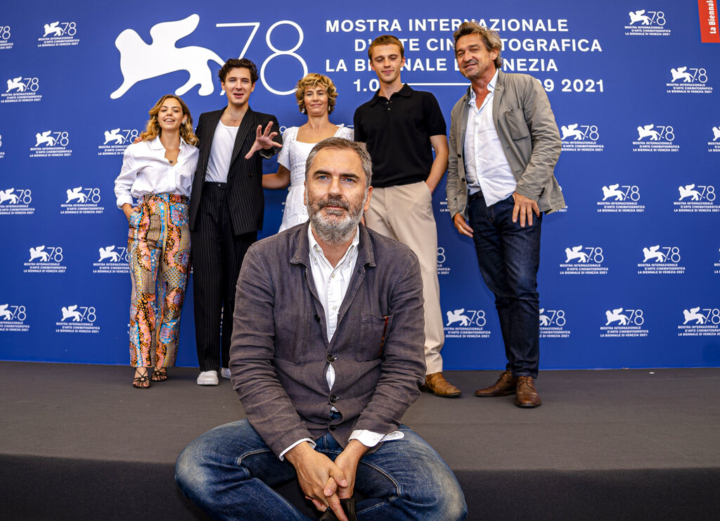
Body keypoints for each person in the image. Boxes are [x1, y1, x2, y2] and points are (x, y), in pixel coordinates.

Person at [176, 138, 467, 521]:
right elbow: (249, 364)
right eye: (322, 177)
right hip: (284, 420)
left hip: (367, 428)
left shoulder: (399, 263)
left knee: (443, 506)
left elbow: (404, 369)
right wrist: (300, 452)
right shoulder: (263, 259)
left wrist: (356, 449)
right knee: (198, 468)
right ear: (304, 191)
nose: (334, 190)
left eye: (349, 179)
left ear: (367, 195)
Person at [447, 22, 564, 408]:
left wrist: (527, 191)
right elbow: (456, 164)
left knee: (522, 288)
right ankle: (514, 370)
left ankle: (526, 376)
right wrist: (456, 206)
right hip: (480, 208)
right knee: (501, 291)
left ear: (493, 52)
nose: (466, 57)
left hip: (519, 204)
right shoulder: (460, 108)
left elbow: (549, 140)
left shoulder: (523, 86)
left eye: (473, 50)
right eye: (460, 53)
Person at [353, 35, 460, 398]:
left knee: (424, 276)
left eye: (392, 57)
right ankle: (391, 367)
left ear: (402, 61)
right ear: (371, 65)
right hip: (373, 200)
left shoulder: (424, 100)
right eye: (379, 59)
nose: (386, 64)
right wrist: (363, 202)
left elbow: (442, 150)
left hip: (412, 193)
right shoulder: (363, 111)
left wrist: (425, 190)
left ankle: (431, 367)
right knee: (379, 282)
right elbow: (361, 162)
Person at [189, 58, 282, 386]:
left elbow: (270, 150)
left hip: (241, 208)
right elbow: (187, 156)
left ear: (253, 86)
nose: (238, 86)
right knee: (207, 286)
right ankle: (208, 365)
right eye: (233, 80)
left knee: (237, 289)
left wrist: (265, 150)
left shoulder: (264, 121)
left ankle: (232, 360)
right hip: (206, 204)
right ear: (223, 85)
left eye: (245, 81)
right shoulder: (206, 119)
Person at [114, 94, 199, 388]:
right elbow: (122, 185)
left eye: (176, 110)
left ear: (184, 117)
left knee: (174, 297)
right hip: (145, 223)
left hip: (180, 223)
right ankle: (141, 364)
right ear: (157, 116)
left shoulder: (194, 153)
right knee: (143, 294)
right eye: (164, 110)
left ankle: (162, 361)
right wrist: (131, 214)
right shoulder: (138, 149)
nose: (169, 114)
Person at [263, 73, 353, 231]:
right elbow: (281, 179)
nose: (315, 98)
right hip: (296, 210)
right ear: (303, 100)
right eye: (309, 94)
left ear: (328, 98)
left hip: (332, 205)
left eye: (320, 93)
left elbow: (351, 180)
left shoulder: (345, 135)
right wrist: (246, 179)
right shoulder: (290, 135)